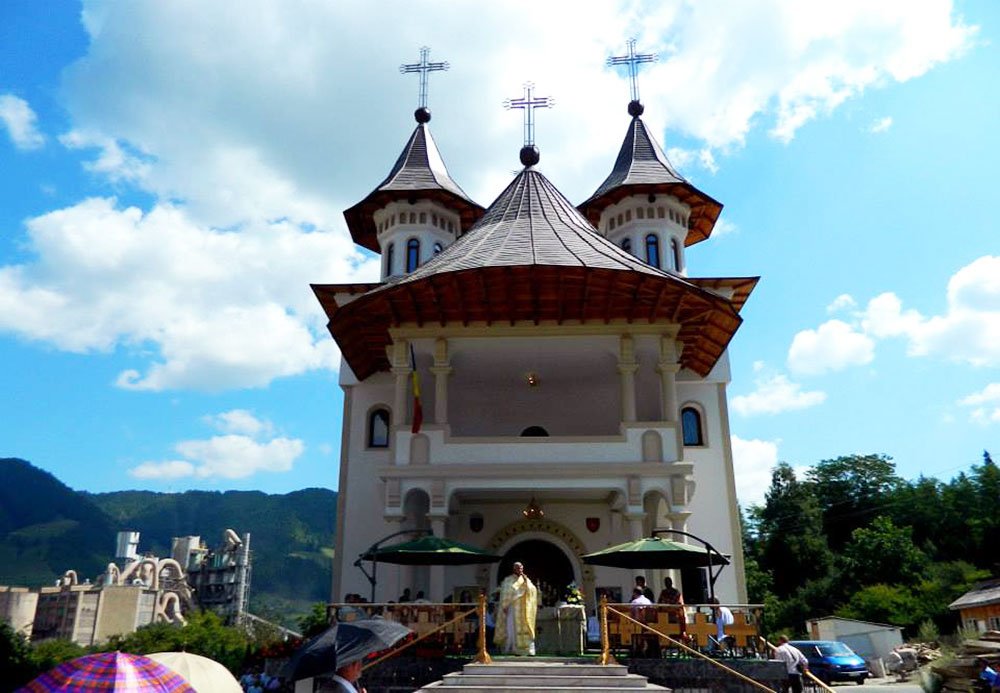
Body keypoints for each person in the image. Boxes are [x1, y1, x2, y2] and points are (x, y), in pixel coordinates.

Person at [495, 562, 538, 655]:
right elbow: (505, 593)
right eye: (518, 568)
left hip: (524, 609)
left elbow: (533, 590)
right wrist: (505, 605)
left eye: (521, 568)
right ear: (514, 569)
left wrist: (526, 584)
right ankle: (512, 648)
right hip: (512, 609)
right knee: (511, 628)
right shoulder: (508, 580)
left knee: (526, 628)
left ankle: (527, 650)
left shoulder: (526, 579)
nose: (520, 570)